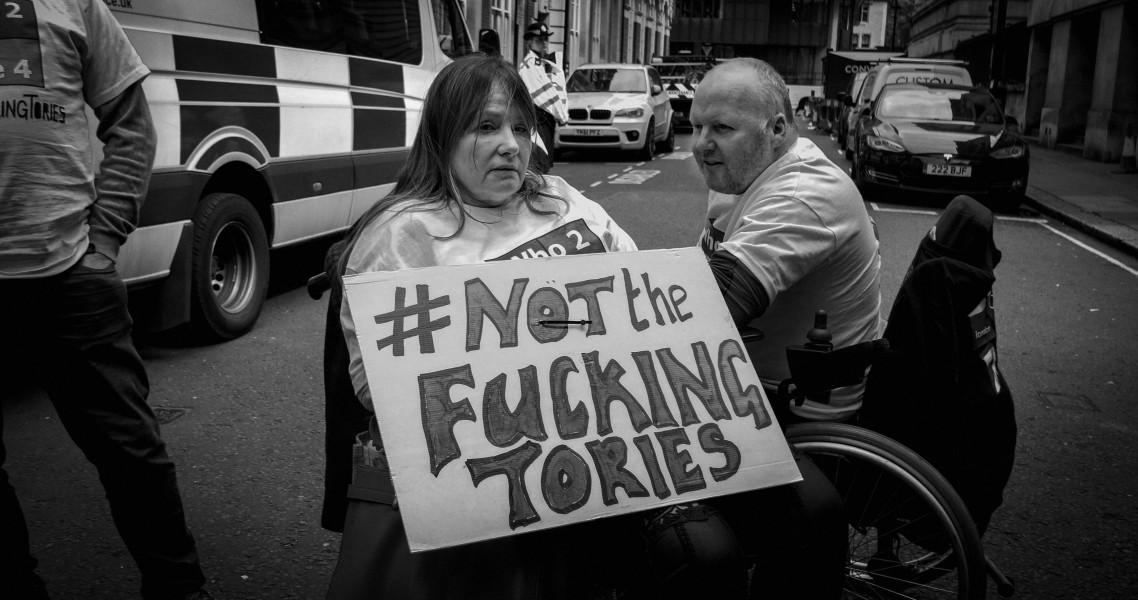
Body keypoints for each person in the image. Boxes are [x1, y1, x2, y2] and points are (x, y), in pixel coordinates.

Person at [323, 53, 640, 600]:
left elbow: (639, 293)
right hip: (467, 492)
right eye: (487, 126)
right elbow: (377, 387)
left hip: (581, 473)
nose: (512, 145)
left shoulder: (561, 200)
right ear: (444, 136)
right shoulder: (402, 233)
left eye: (521, 126)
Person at [0, 1, 211, 599]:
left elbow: (131, 122)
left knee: (131, 456)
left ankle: (179, 591)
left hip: (69, 272)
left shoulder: (73, 4)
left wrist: (105, 237)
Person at [691, 57, 884, 424]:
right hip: (746, 381)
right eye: (697, 126)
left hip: (794, 407)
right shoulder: (741, 172)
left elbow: (714, 303)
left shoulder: (801, 194)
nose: (701, 144)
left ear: (776, 129)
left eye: (721, 128)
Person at [518, 21, 568, 173]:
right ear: (530, 42)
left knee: (544, 161)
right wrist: (562, 115)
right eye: (540, 40)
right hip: (538, 118)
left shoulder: (543, 63)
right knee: (539, 163)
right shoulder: (529, 66)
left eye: (546, 39)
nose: (544, 43)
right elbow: (544, 96)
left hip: (546, 119)